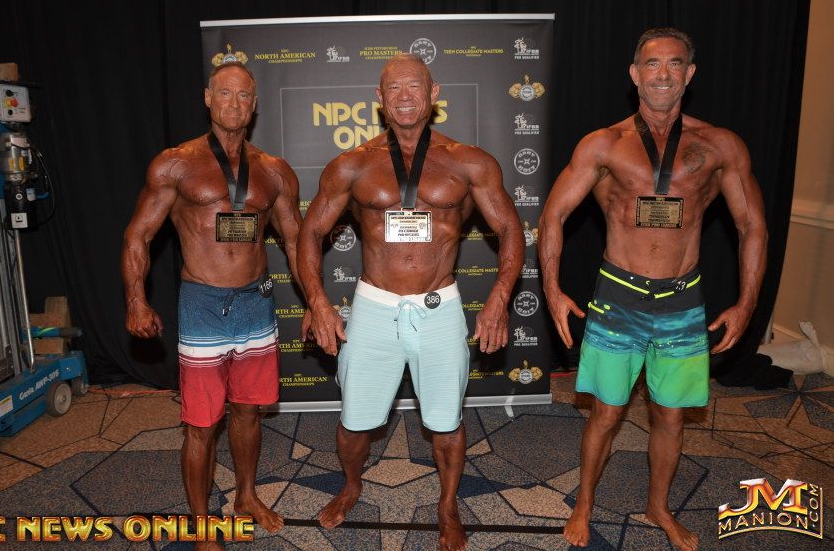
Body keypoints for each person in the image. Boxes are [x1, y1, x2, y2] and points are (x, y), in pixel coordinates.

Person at [538, 28, 767, 551]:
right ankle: (584, 503)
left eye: (675, 63)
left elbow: (752, 225)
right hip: (618, 297)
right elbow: (553, 216)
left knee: (671, 414)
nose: (663, 74)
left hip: (682, 302)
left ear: (690, 73)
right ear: (634, 74)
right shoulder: (603, 144)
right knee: (607, 411)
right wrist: (552, 289)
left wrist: (747, 302)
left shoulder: (720, 146)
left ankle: (658, 506)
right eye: (652, 63)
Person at [297, 53, 524, 551]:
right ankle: (351, 485)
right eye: (393, 88)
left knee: (446, 422)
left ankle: (448, 506)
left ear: (433, 93)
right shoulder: (353, 164)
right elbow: (310, 232)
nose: (404, 96)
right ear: (379, 99)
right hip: (374, 307)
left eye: (414, 86)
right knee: (355, 421)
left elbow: (510, 227)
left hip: (439, 307)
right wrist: (317, 301)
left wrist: (500, 297)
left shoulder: (469, 162)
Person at [122, 61, 304, 547]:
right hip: (202, 304)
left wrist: (317, 303)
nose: (234, 104)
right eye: (225, 93)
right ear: (208, 98)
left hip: (255, 303)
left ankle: (246, 496)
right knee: (201, 424)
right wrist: (137, 300)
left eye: (244, 96)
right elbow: (139, 235)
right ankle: (203, 522)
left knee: (248, 411)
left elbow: (294, 241)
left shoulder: (274, 170)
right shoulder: (175, 164)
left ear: (255, 104)